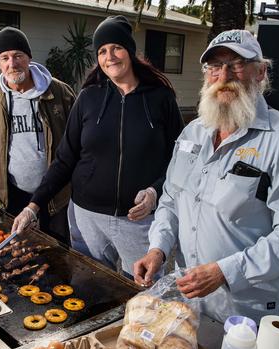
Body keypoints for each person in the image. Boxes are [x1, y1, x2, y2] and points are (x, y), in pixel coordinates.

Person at [133, 29, 279, 323]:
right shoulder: (192, 133)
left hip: (245, 306)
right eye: (214, 67)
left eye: (236, 65)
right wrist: (157, 247)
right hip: (189, 297)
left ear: (260, 72)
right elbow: (171, 200)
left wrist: (225, 271)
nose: (223, 77)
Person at [12, 15, 184, 277]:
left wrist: (155, 191)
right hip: (86, 217)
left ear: (130, 51)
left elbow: (179, 160)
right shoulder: (89, 97)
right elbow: (65, 158)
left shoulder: (160, 97)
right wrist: (32, 207)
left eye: (116, 47)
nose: (110, 56)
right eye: (102, 51)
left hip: (137, 221)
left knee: (142, 295)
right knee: (91, 287)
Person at [0, 27, 76, 243]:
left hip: (56, 194)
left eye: (18, 55)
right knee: (18, 250)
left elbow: (77, 141)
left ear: (29, 58)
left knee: (57, 251)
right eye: (5, 57)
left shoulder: (60, 93)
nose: (12, 63)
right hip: (13, 192)